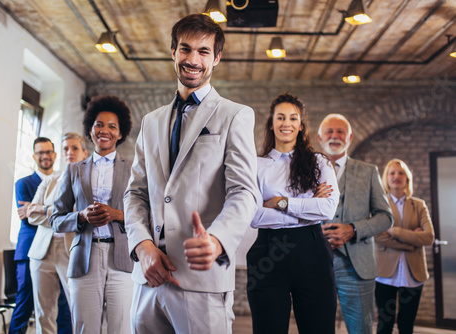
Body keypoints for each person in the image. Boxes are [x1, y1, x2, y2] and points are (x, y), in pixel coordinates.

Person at [123, 13, 258, 334]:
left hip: (202, 280)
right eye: (185, 49)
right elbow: (136, 193)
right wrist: (142, 246)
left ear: (217, 59)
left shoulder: (235, 115)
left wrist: (217, 240)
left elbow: (245, 192)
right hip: (148, 280)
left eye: (203, 52)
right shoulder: (151, 121)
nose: (193, 59)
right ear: (173, 52)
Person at [247, 92, 339, 334]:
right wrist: (307, 206)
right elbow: (254, 216)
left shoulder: (320, 163)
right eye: (280, 117)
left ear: (301, 125)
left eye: (292, 118)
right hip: (267, 252)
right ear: (271, 123)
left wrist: (281, 203)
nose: (286, 123)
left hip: (311, 249)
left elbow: (327, 209)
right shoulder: (256, 165)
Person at [50, 96, 133, 334]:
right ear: (90, 129)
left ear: (120, 133)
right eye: (99, 124)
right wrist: (81, 216)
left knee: (122, 328)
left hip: (123, 259)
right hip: (84, 258)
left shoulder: (134, 169)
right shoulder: (74, 170)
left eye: (112, 126)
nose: (104, 130)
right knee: (85, 328)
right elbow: (56, 219)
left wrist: (118, 214)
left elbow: (148, 215)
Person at [318, 113, 393, 334]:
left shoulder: (368, 172)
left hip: (357, 268)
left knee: (361, 329)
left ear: (349, 137)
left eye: (340, 131)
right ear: (320, 137)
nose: (334, 136)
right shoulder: (307, 171)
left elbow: (386, 217)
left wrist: (353, 229)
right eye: (329, 131)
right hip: (316, 265)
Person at [25, 133, 88, 333]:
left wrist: (44, 209)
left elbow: (83, 215)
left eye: (74, 148)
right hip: (41, 252)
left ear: (85, 152)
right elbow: (31, 216)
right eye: (65, 149)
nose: (69, 152)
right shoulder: (50, 180)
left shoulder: (90, 181)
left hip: (72, 250)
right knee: (44, 312)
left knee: (78, 308)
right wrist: (64, 214)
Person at [11, 137, 72, 334]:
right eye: (40, 153)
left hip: (61, 250)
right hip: (31, 249)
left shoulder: (63, 180)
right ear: (34, 156)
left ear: (54, 155)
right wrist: (60, 214)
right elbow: (27, 219)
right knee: (25, 302)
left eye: (48, 152)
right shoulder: (24, 183)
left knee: (62, 306)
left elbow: (69, 213)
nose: (45, 156)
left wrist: (39, 209)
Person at [374, 159, 434, 334]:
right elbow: (377, 235)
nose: (396, 177)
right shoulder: (379, 204)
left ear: (407, 178)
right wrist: (412, 241)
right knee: (385, 324)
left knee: (406, 324)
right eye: (392, 173)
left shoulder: (419, 205)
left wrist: (395, 231)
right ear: (386, 178)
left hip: (413, 273)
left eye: (401, 173)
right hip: (384, 274)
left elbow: (429, 236)